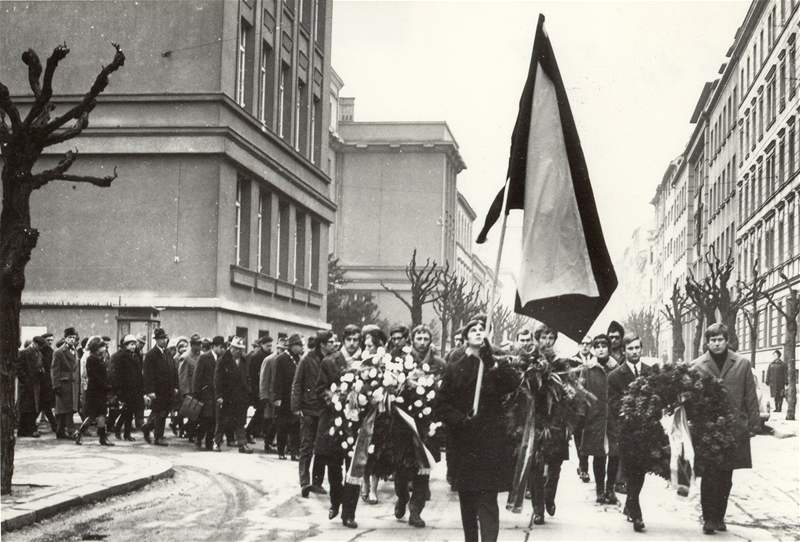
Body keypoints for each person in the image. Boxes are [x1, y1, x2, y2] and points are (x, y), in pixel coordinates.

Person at [436, 317, 521, 542]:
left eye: (482, 330)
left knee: (488, 498)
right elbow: (441, 404)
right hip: (464, 442)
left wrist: (492, 363)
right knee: (468, 499)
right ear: (464, 338)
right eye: (473, 330)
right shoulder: (454, 369)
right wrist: (461, 420)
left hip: (489, 442)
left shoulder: (495, 364)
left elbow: (512, 385)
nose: (478, 332)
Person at [691, 323, 759, 535]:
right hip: (707, 429)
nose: (717, 343)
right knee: (709, 474)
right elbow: (690, 398)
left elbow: (750, 396)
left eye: (720, 339)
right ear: (707, 342)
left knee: (726, 476)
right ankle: (708, 518)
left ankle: (719, 516)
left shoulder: (742, 363)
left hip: (732, 428)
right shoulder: (697, 365)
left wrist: (753, 424)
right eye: (712, 340)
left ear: (727, 340)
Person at [392, 324, 444, 528]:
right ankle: (402, 497)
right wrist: (405, 383)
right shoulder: (401, 361)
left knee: (423, 468)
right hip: (404, 422)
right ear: (412, 340)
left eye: (425, 338)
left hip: (427, 423)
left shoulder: (439, 364)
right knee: (402, 468)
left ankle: (416, 511)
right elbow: (392, 388)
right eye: (419, 338)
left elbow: (445, 390)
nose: (422, 342)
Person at [314, 327, 361, 529]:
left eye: (356, 340)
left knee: (354, 469)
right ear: (343, 340)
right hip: (335, 421)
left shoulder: (367, 363)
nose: (352, 343)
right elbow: (320, 389)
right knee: (334, 468)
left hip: (357, 423)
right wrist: (335, 400)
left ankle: (349, 513)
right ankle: (335, 502)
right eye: (349, 339)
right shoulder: (329, 361)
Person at [528, 325, 571, 526]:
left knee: (555, 464)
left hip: (556, 419)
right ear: (537, 339)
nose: (547, 341)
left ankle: (549, 496)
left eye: (551, 337)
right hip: (534, 418)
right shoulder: (529, 360)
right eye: (544, 337)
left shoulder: (561, 363)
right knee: (534, 465)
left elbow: (570, 389)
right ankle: (538, 509)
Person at [608, 333, 651, 533]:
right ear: (624, 351)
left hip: (647, 431)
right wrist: (631, 408)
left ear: (641, 349)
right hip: (626, 431)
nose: (634, 352)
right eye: (630, 349)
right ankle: (637, 512)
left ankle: (630, 504)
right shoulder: (615, 376)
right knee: (631, 470)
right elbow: (614, 403)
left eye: (637, 348)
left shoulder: (651, 372)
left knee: (640, 472)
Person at [292, 330, 336, 496]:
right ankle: (305, 482)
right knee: (307, 445)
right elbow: (297, 383)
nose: (334, 345)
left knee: (322, 447)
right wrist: (296, 407)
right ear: (322, 344)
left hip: (325, 409)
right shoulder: (307, 360)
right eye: (331, 342)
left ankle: (317, 482)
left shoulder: (332, 360)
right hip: (308, 408)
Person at [578, 334, 619, 504]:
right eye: (598, 345)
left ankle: (611, 488)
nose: (601, 348)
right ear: (594, 349)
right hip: (595, 418)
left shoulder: (617, 368)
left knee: (615, 454)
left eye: (604, 345)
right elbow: (581, 391)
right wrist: (582, 415)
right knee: (598, 454)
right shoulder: (588, 369)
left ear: (609, 348)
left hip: (614, 418)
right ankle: (600, 490)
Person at [213, 336, 253, 453]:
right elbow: (217, 380)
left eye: (241, 349)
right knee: (222, 421)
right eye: (237, 349)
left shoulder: (244, 361)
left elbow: (247, 378)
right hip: (226, 397)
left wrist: (248, 392)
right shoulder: (223, 360)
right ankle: (216, 442)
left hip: (240, 397)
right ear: (231, 348)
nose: (240, 352)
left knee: (240, 422)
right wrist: (219, 396)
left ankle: (242, 444)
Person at [74, 337, 115, 446]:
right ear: (96, 348)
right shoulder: (91, 359)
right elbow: (95, 377)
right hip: (95, 391)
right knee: (92, 415)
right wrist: (106, 386)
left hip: (100, 391)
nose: (104, 348)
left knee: (101, 414)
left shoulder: (99, 358)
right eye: (102, 346)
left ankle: (102, 437)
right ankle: (80, 433)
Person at [142, 327, 177, 446]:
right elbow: (148, 374)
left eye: (165, 338)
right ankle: (158, 437)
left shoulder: (167, 353)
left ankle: (147, 428)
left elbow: (173, 370)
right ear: (156, 340)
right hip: (158, 389)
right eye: (161, 339)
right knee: (160, 413)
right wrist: (150, 391)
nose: (164, 340)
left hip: (168, 389)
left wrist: (175, 386)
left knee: (162, 412)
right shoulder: (151, 355)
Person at [273, 333, 303, 460]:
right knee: (282, 426)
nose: (301, 348)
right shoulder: (281, 359)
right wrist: (277, 398)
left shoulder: (299, 359)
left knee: (295, 426)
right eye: (299, 345)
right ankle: (281, 451)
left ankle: (294, 452)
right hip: (283, 398)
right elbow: (277, 380)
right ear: (292, 346)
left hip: (294, 398)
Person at [194, 335, 225, 451]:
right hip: (205, 394)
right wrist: (197, 394)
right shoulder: (204, 358)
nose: (222, 350)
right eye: (220, 347)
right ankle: (199, 437)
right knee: (205, 419)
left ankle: (208, 442)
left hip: (215, 395)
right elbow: (197, 377)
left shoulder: (221, 359)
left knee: (213, 419)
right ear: (215, 346)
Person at [110, 335, 143, 441]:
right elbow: (117, 374)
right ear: (126, 345)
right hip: (125, 389)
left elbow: (138, 373)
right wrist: (118, 390)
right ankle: (123, 432)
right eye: (131, 344)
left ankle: (122, 431)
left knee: (129, 412)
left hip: (134, 389)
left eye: (134, 344)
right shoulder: (120, 357)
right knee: (127, 412)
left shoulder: (136, 356)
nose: (133, 347)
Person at [52, 327, 80, 439]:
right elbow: (54, 370)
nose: (72, 340)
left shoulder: (75, 351)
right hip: (63, 384)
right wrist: (56, 385)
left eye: (74, 337)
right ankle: (71, 430)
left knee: (66, 409)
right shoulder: (59, 352)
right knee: (64, 409)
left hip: (73, 385)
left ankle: (60, 431)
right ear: (65, 339)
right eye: (70, 338)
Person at [260, 335, 285, 453]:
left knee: (278, 422)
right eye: (280, 349)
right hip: (270, 396)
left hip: (280, 396)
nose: (282, 351)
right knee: (270, 421)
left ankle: (272, 442)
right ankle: (267, 443)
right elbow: (263, 379)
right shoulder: (269, 360)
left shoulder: (285, 360)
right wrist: (264, 396)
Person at [16, 337, 45, 437]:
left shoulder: (39, 354)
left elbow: (40, 366)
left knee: (33, 408)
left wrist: (41, 371)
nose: (40, 348)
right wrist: (25, 381)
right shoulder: (24, 353)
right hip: (26, 385)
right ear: (34, 343)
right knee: (25, 408)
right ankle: (25, 430)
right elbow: (19, 368)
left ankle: (29, 429)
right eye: (39, 346)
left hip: (36, 384)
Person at [245, 335, 272, 443]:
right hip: (258, 390)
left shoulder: (268, 355)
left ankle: (252, 432)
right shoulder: (257, 356)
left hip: (264, 389)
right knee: (260, 412)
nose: (270, 347)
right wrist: (256, 391)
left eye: (270, 345)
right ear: (262, 345)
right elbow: (252, 375)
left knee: (262, 413)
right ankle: (248, 432)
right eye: (267, 345)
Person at [37, 333, 58, 434]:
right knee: (44, 405)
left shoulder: (50, 351)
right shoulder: (45, 351)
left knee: (44, 405)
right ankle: (55, 426)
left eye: (51, 340)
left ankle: (55, 426)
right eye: (48, 340)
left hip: (47, 382)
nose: (50, 342)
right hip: (44, 382)